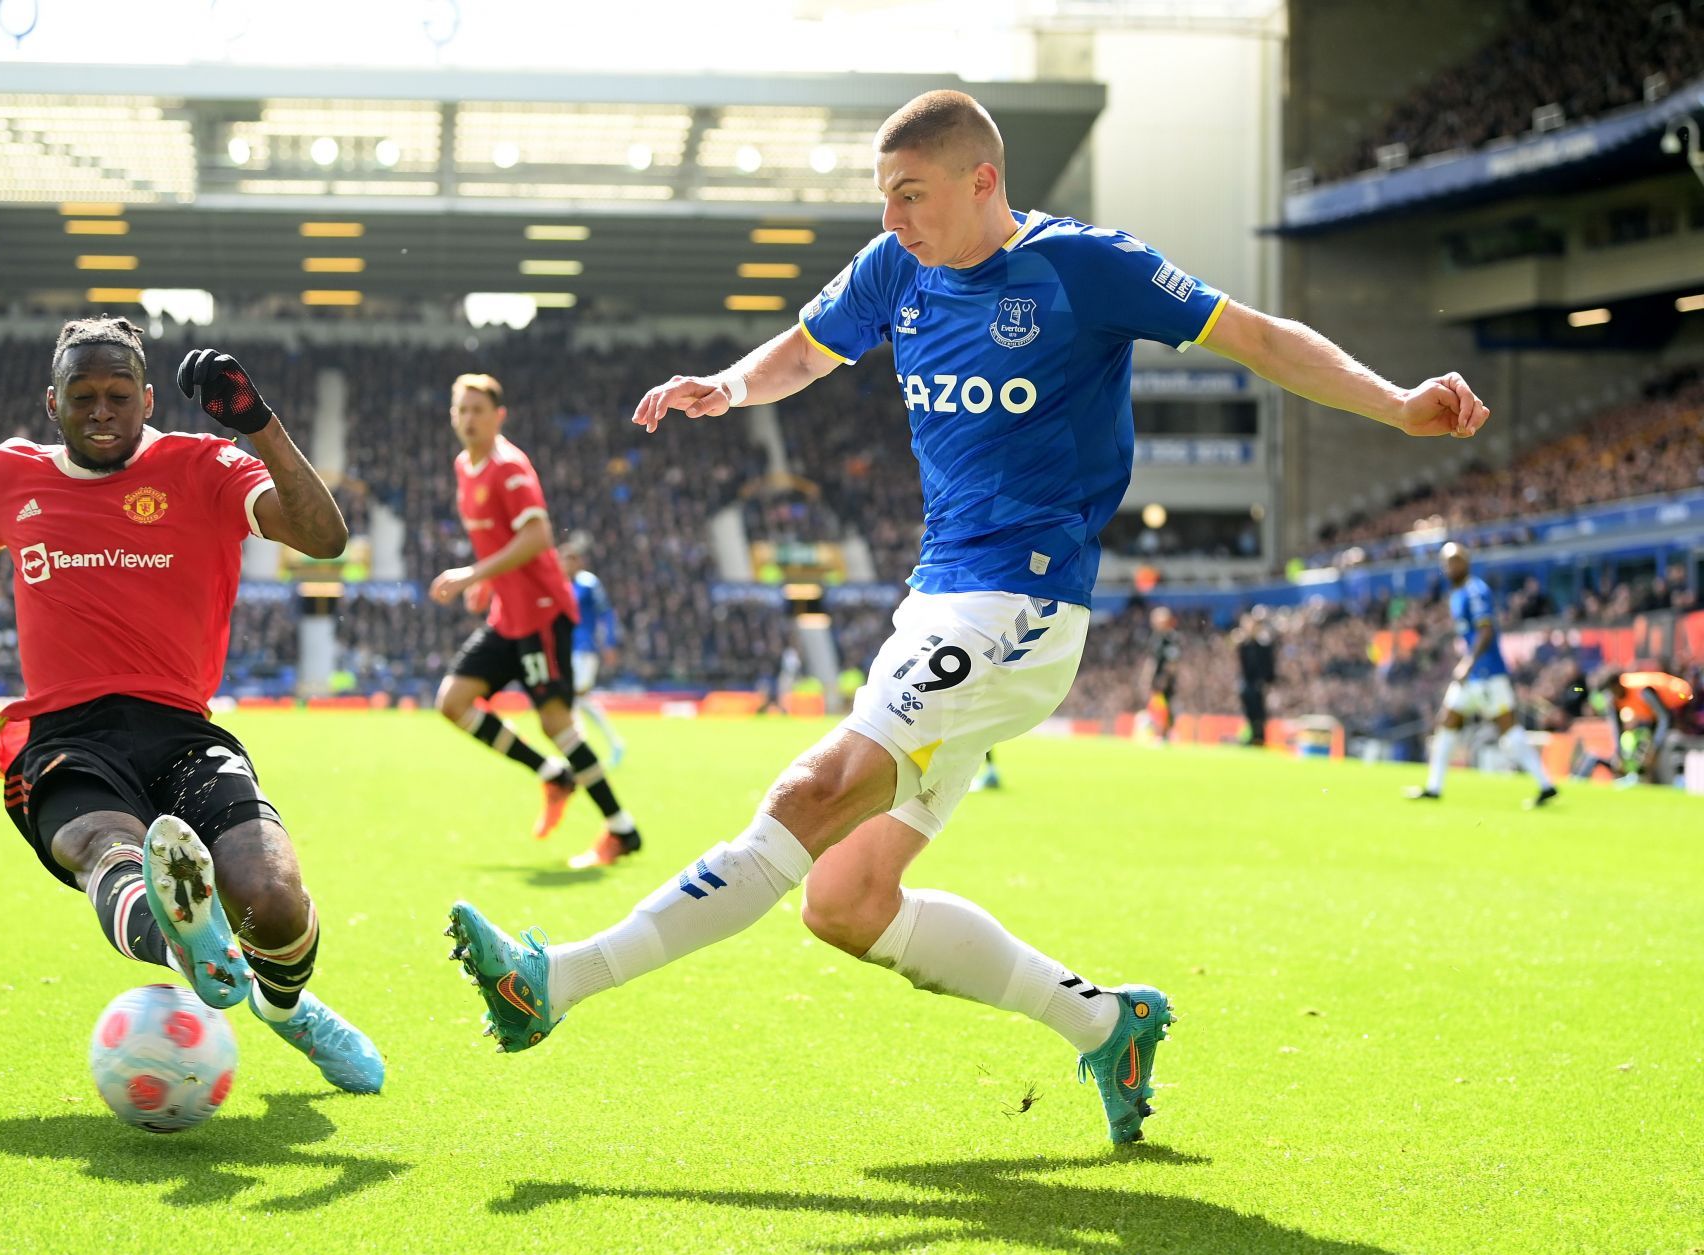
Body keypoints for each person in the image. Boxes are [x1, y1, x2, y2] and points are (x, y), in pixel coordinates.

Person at [445, 89, 1495, 1146]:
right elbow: (809, 347)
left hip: (1027, 601)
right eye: (884, 199)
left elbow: (1256, 337)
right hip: (939, 600)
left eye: (912, 195)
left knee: (810, 790)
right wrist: (726, 384)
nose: (893, 219)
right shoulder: (895, 265)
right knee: (846, 902)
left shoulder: (1085, 268)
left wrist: (1398, 401)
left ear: (982, 182)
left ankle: (556, 981)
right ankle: (1106, 1021)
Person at [0, 320, 383, 1093]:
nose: (102, 411)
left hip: (181, 734)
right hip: (65, 738)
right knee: (109, 848)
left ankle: (287, 1007)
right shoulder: (11, 474)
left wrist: (257, 424)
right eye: (84, 396)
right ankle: (184, 947)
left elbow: (323, 537)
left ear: (145, 400)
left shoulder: (204, 464)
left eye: (118, 395)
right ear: (52, 402)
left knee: (272, 899)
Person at [429, 374, 641, 869]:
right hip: (509, 615)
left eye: (479, 410)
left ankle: (621, 829)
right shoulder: (465, 466)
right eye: (462, 410)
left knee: (557, 724)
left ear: (499, 416)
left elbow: (540, 535)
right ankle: (552, 773)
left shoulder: (508, 466)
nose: (469, 419)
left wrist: (471, 574)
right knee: (453, 702)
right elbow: (498, 540)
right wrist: (487, 582)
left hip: (543, 614)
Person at [1404, 542, 1558, 807]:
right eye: (1446, 562)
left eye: (1454, 560)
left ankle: (1545, 784)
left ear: (1466, 562)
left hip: (1487, 673)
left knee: (1508, 729)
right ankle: (1434, 787)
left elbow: (1486, 631)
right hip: (1475, 675)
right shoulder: (1457, 594)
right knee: (1447, 722)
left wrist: (1468, 663)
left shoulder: (1475, 591)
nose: (1449, 566)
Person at [559, 536, 625, 769]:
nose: (566, 564)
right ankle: (609, 745)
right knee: (578, 700)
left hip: (585, 650)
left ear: (579, 561)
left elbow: (606, 613)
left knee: (574, 699)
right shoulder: (562, 585)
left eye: (571, 559)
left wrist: (609, 643)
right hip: (568, 649)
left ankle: (581, 752)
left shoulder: (589, 584)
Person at [1574, 665, 1694, 786]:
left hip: (1682, 699)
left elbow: (1664, 717)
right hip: (1655, 713)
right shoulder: (1613, 698)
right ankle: (1637, 777)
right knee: (1639, 741)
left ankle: (1679, 780)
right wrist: (1618, 754)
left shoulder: (1642, 691)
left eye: (1610, 692)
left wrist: (1655, 747)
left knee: (1668, 741)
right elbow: (1617, 727)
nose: (1609, 697)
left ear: (1616, 686)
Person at [1234, 606, 1277, 746]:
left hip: (1259, 683)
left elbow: (1268, 665)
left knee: (1259, 711)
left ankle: (1260, 737)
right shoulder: (1244, 644)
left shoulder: (1263, 644)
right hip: (1247, 682)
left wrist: (1267, 680)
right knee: (1250, 710)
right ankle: (1253, 736)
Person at [1143, 605, 1180, 742]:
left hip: (1165, 680)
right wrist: (1147, 677)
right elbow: (1152, 659)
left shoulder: (1170, 637)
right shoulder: (1156, 637)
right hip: (1157, 678)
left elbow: (1172, 661)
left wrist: (1164, 678)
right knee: (1156, 706)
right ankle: (1159, 734)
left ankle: (1164, 734)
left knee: (1165, 706)